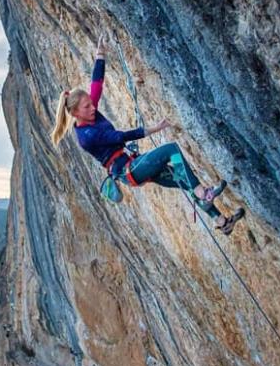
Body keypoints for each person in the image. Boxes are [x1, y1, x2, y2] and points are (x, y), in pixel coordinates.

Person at [51, 36, 245, 235]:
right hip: (129, 170)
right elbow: (119, 137)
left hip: (133, 164)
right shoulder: (86, 136)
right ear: (75, 113)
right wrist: (154, 128)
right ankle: (202, 193)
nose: (93, 107)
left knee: (182, 177)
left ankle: (223, 222)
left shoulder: (89, 113)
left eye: (91, 104)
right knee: (171, 150)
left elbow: (96, 84)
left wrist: (100, 53)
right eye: (87, 106)